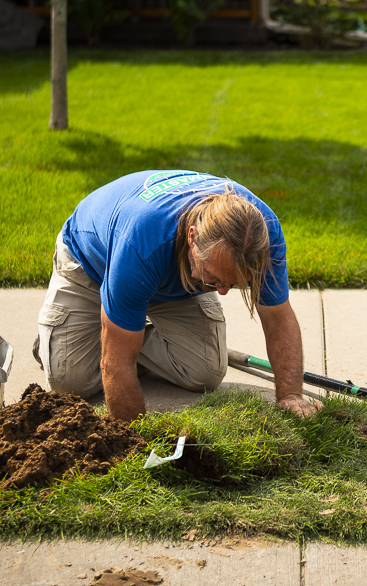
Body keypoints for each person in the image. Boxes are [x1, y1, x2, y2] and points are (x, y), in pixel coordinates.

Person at [33, 170, 322, 422]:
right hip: (92, 265)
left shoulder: (259, 238)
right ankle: (78, 339)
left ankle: (122, 329)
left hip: (172, 274)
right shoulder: (140, 243)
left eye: (232, 284)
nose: (221, 291)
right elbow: (115, 363)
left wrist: (291, 395)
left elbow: (278, 320)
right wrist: (136, 441)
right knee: (71, 382)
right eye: (215, 278)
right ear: (193, 238)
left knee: (204, 373)